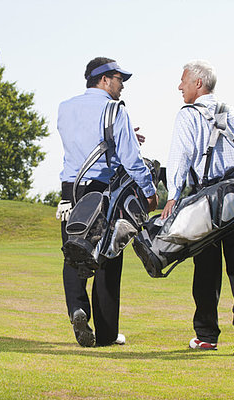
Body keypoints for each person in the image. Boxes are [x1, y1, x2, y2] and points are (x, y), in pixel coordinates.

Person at [161, 60, 234, 355]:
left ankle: (207, 336)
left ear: (199, 83)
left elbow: (180, 157)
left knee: (206, 269)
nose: (179, 86)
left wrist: (172, 196)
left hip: (207, 202)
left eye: (183, 81)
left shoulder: (188, 116)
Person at [56, 57, 158, 347]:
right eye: (118, 78)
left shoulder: (65, 108)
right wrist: (148, 190)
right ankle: (106, 334)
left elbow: (82, 141)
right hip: (103, 191)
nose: (122, 84)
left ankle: (77, 308)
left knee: (74, 251)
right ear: (103, 79)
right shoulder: (114, 110)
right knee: (109, 257)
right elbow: (131, 160)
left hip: (69, 192)